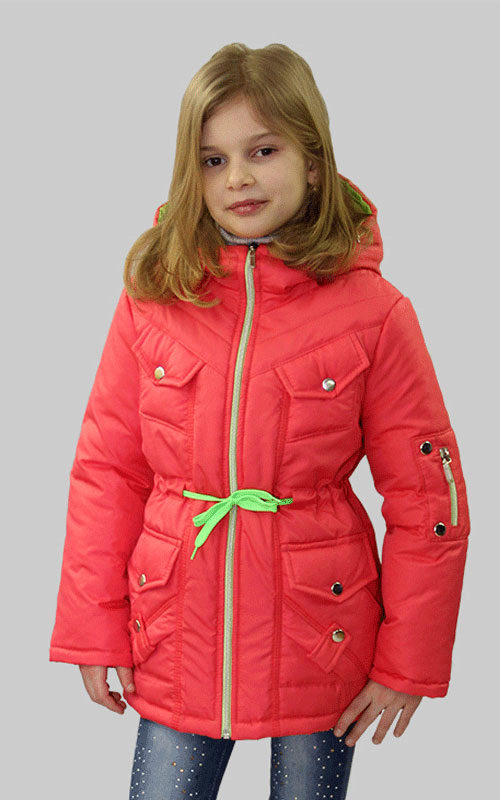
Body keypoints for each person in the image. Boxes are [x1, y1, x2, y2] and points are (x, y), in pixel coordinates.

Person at [49, 42, 471, 800]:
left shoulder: (374, 312)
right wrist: (93, 625)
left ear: (315, 162)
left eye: (263, 151)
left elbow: (426, 499)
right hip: (175, 631)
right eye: (213, 160)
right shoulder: (156, 298)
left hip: (321, 640)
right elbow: (107, 470)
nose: (237, 178)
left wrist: (410, 660)